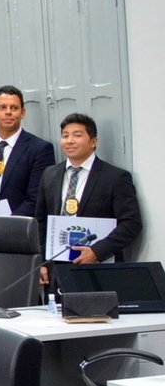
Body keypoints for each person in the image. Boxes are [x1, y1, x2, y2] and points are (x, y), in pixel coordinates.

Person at [36, 113, 142, 278]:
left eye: (77, 135)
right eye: (65, 136)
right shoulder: (49, 174)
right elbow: (41, 222)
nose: (69, 141)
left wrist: (97, 252)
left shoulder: (115, 177)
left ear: (93, 142)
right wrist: (41, 262)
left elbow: (131, 223)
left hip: (99, 266)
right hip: (57, 266)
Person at [0, 85, 55, 216]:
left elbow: (36, 199)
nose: (8, 112)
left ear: (23, 112)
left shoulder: (40, 149)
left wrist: (7, 223)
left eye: (14, 108)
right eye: (2, 107)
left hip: (18, 225)